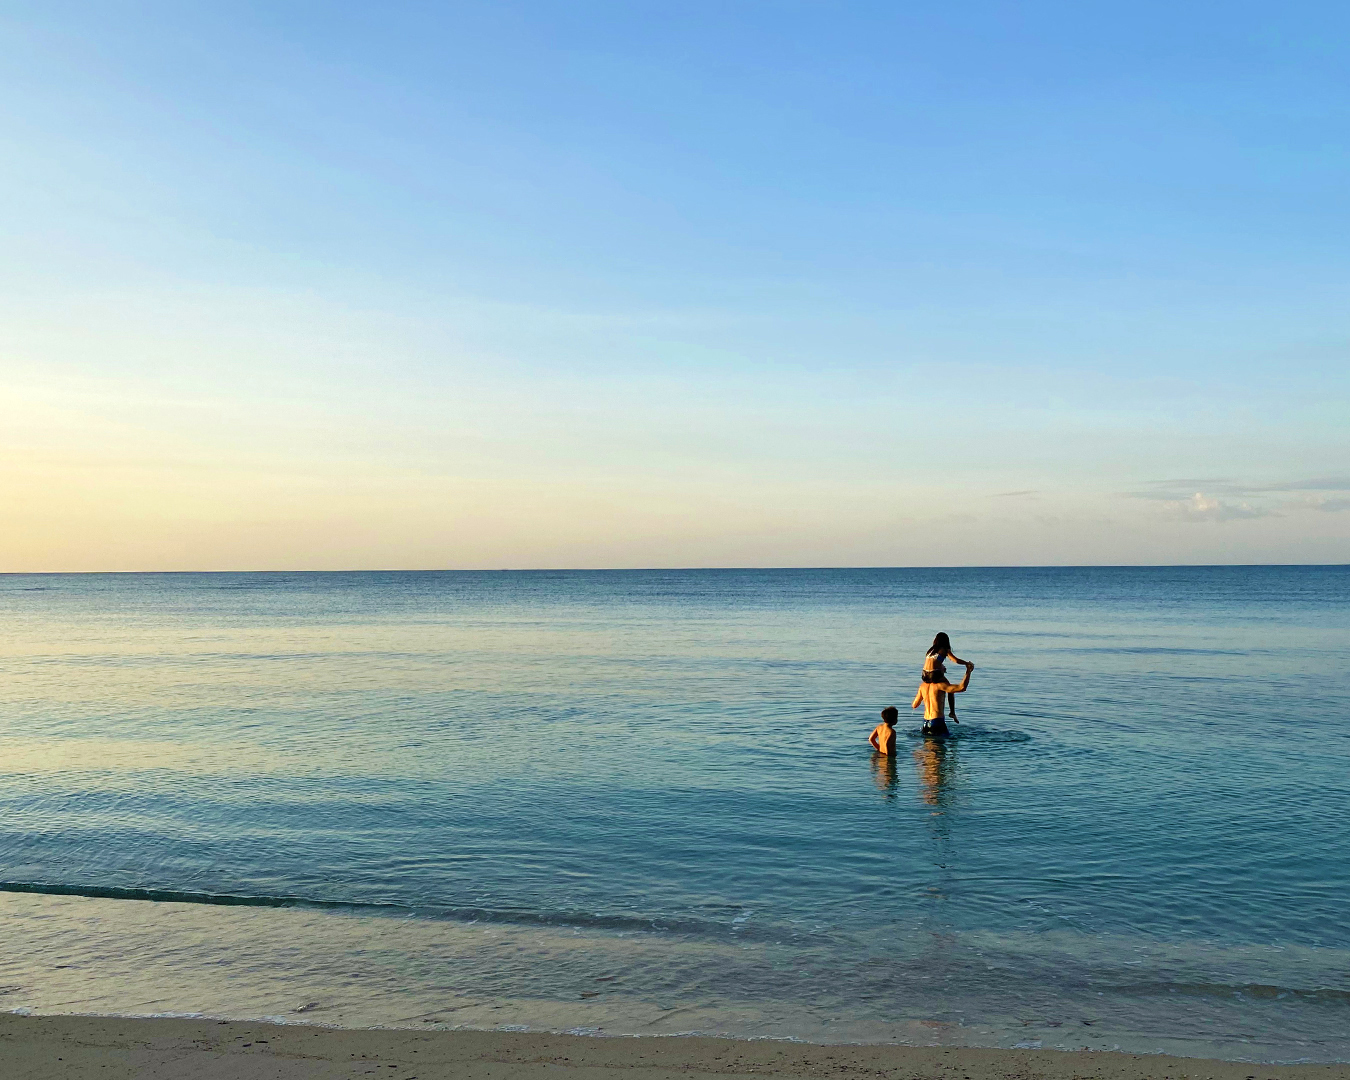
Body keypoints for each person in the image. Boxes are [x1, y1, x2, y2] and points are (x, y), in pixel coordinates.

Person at [912, 661, 973, 736]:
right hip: (937, 721)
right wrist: (968, 671)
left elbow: (915, 705)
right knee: (938, 746)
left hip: (926, 722)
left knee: (927, 745)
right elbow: (962, 687)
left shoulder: (922, 686)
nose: (944, 666)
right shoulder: (941, 685)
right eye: (941, 665)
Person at [923, 632, 970, 721]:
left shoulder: (931, 651)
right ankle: (952, 712)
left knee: (944, 685)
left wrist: (941, 667)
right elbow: (955, 660)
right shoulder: (944, 649)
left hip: (925, 675)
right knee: (950, 688)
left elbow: (931, 663)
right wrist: (966, 663)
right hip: (934, 674)